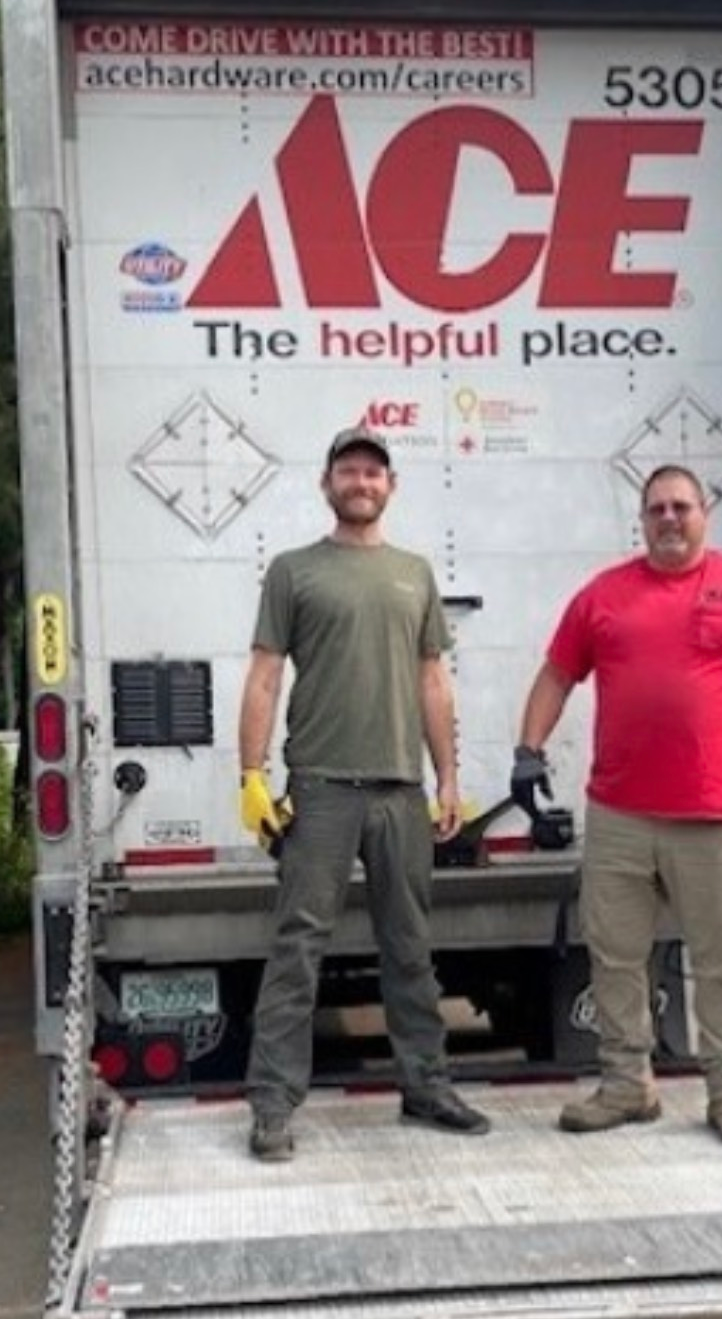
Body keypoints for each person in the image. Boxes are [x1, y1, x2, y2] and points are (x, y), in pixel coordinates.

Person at [511, 464, 722, 1146]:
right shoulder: (603, 596)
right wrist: (528, 750)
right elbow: (557, 674)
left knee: (720, 959)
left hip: (712, 814)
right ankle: (627, 1086)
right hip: (619, 815)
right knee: (615, 957)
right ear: (641, 518)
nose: (668, 517)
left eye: (680, 507)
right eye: (656, 508)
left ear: (703, 513)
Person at [239, 425, 490, 1159]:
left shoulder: (414, 574)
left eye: (373, 472)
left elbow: (431, 682)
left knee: (409, 948)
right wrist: (251, 777)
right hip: (319, 790)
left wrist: (446, 776)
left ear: (390, 488)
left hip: (399, 793)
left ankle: (425, 1087)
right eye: (347, 469)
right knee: (297, 949)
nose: (361, 481)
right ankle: (272, 1105)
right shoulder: (293, 571)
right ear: (327, 485)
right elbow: (263, 674)